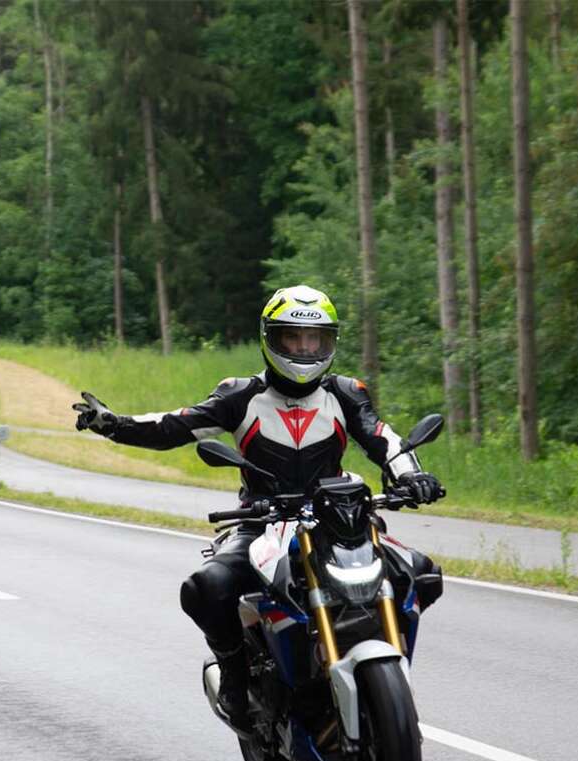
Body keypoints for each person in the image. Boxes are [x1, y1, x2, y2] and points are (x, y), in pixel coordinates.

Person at [72, 284, 444, 728]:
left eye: (315, 339)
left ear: (330, 342)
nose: (306, 349)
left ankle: (385, 671)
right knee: (206, 588)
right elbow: (177, 425)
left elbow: (382, 436)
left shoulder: (346, 392)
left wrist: (410, 475)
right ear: (271, 338)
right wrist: (115, 425)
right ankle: (233, 673)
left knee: (422, 573)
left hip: (338, 519)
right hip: (263, 522)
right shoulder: (239, 396)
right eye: (294, 338)